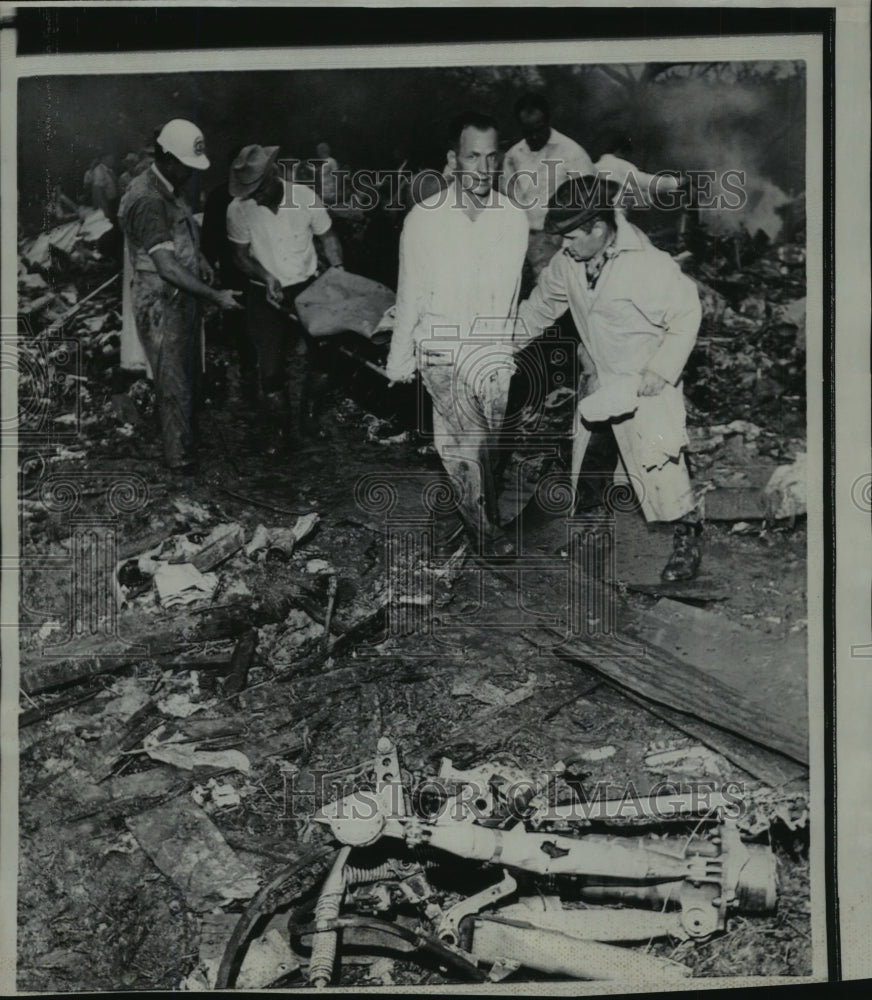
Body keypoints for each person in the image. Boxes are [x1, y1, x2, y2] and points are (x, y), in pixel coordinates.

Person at [515, 175, 704, 582]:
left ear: (599, 229)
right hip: (602, 382)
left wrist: (661, 368)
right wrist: (497, 348)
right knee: (591, 468)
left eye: (571, 236)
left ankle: (689, 538)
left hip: (645, 383)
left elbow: (688, 311)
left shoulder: (647, 265)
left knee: (661, 470)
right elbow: (539, 309)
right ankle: (592, 534)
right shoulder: (570, 263)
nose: (563, 246)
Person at [386, 111, 529, 559]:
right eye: (473, 157)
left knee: (488, 443)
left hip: (491, 354)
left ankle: (476, 511)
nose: (484, 169)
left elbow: (510, 297)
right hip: (442, 349)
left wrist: (505, 350)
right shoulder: (425, 220)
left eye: (492, 158)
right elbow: (409, 292)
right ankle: (485, 534)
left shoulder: (512, 219)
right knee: (463, 444)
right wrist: (400, 358)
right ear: (454, 159)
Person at [118, 118, 243, 473]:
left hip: (179, 293)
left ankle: (186, 442)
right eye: (187, 167)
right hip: (161, 298)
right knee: (173, 380)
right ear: (169, 158)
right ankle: (180, 461)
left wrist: (200, 258)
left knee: (188, 374)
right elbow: (167, 267)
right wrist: (216, 296)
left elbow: (181, 236)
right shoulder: (147, 199)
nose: (191, 174)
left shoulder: (168, 187)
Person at [226, 143, 344, 452]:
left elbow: (328, 237)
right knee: (272, 367)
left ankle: (309, 416)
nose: (255, 196)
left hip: (307, 287)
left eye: (259, 189)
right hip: (263, 292)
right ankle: (278, 429)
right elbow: (239, 255)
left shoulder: (305, 198)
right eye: (249, 191)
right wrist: (265, 276)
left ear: (274, 174)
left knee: (324, 358)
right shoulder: (237, 209)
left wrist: (338, 270)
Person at [501, 94, 594, 280]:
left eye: (539, 129)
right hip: (531, 239)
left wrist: (572, 236)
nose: (534, 137)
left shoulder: (571, 151)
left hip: (566, 236)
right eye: (527, 132)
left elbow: (591, 197)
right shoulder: (513, 156)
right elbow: (509, 200)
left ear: (548, 121)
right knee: (542, 290)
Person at [201, 145, 258, 403]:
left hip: (260, 265)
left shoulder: (260, 194)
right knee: (240, 317)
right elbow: (209, 235)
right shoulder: (218, 197)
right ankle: (248, 369)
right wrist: (210, 263)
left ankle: (257, 368)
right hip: (233, 266)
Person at [314, 141, 340, 207]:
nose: (317, 152)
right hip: (323, 194)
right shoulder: (323, 163)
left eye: (318, 150)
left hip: (331, 194)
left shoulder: (332, 161)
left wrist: (336, 192)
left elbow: (337, 177)